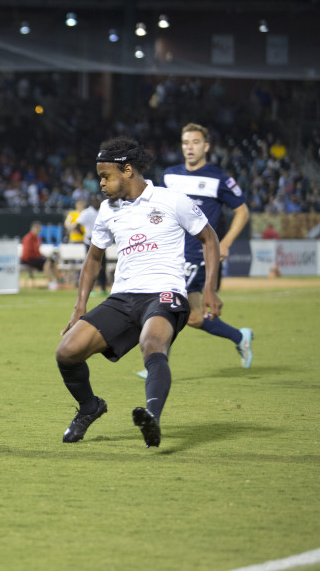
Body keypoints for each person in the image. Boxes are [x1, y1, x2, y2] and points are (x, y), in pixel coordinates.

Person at [55, 137, 222, 448]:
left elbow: (209, 238)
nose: (101, 184)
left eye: (105, 176)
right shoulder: (107, 210)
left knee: (152, 343)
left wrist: (210, 288)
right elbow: (94, 258)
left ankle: (152, 417)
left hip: (164, 293)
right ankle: (90, 407)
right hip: (123, 297)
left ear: (127, 170)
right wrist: (79, 306)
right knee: (66, 352)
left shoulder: (172, 200)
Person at [152, 123, 253, 371]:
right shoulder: (169, 175)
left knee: (165, 304)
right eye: (186, 142)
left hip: (197, 256)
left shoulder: (219, 178)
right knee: (194, 317)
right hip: (172, 253)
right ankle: (240, 337)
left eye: (195, 142)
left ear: (206, 146)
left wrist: (225, 242)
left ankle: (156, 362)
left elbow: (242, 211)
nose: (189, 147)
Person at [75, 195, 107, 294]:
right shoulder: (86, 212)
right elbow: (78, 226)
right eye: (95, 200)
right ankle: (90, 289)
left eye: (98, 200)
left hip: (101, 242)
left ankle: (103, 288)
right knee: (90, 266)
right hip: (90, 242)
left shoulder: (103, 211)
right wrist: (86, 235)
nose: (97, 202)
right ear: (91, 202)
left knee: (103, 265)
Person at [20, 221, 56, 285]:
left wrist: (42, 256)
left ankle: (56, 279)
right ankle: (50, 282)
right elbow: (27, 254)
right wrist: (40, 257)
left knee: (53, 261)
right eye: (38, 228)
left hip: (35, 258)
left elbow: (37, 251)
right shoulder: (28, 238)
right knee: (47, 262)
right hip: (28, 259)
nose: (39, 230)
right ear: (33, 228)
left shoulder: (37, 238)